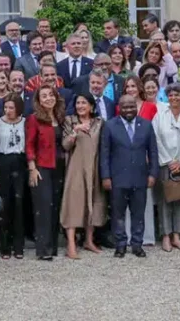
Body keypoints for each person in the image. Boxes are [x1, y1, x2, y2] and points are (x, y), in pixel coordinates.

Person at [101, 95, 159, 258]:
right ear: (119, 108)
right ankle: (120, 245)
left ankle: (137, 244)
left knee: (138, 213)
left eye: (131, 106)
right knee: (118, 214)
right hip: (117, 177)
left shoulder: (146, 125)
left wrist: (153, 173)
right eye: (124, 107)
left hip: (140, 177)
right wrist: (105, 176)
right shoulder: (110, 126)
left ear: (136, 107)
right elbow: (104, 153)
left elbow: (153, 152)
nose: (128, 110)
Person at [152, 83, 180, 252]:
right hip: (166, 163)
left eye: (177, 95)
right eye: (170, 95)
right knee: (165, 200)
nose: (174, 98)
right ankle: (165, 235)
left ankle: (177, 235)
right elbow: (156, 139)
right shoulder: (160, 116)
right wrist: (169, 161)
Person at [60, 95, 106, 259]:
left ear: (92, 106)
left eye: (84, 103)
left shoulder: (100, 122)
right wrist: (75, 130)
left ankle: (88, 240)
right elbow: (65, 145)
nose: (80, 106)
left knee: (93, 202)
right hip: (76, 167)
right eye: (78, 103)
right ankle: (71, 244)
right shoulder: (69, 120)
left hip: (94, 167)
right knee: (73, 203)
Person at [26, 85, 64, 260]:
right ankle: (43, 249)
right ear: (38, 101)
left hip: (60, 167)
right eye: (44, 96)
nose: (48, 98)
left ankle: (53, 246)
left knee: (56, 207)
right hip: (42, 167)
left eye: (51, 95)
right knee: (44, 208)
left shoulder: (59, 117)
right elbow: (29, 144)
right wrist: (32, 168)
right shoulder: (34, 119)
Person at [0, 94, 27, 259]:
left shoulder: (25, 122)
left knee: (19, 204)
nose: (8, 111)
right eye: (6, 107)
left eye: (12, 108)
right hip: (3, 162)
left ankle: (18, 246)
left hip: (19, 162)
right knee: (5, 205)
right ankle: (5, 245)